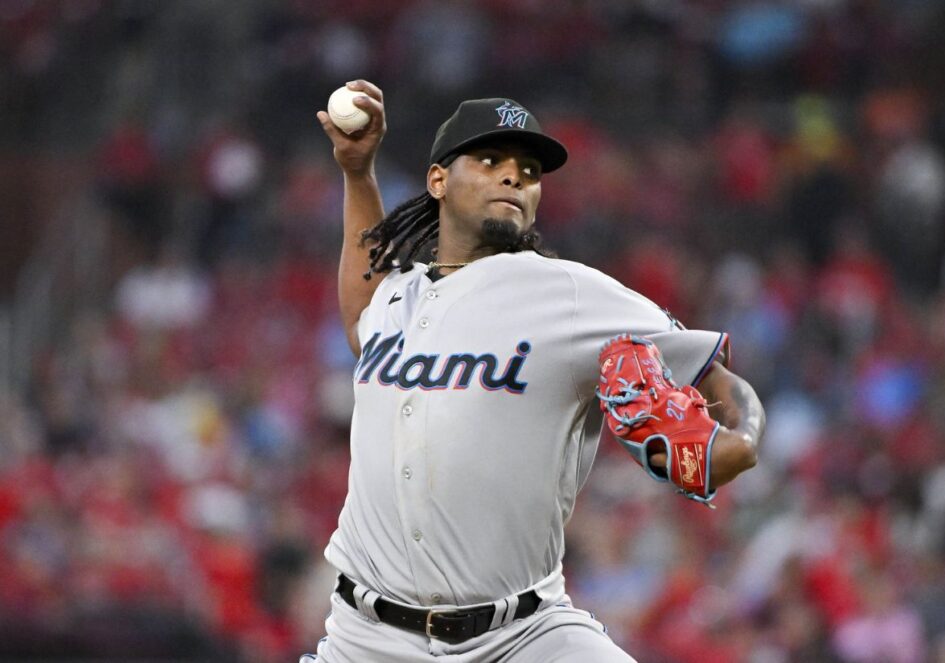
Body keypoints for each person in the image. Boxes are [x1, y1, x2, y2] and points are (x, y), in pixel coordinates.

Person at [302, 80, 764, 662]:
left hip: (521, 636)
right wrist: (357, 173)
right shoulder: (398, 297)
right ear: (438, 180)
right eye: (490, 159)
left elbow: (713, 375)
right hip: (365, 638)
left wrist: (742, 437)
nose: (514, 176)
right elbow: (359, 314)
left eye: (528, 169)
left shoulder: (572, 294)